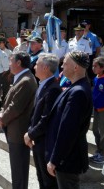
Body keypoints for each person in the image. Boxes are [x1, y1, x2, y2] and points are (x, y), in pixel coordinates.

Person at [46, 51, 93, 188]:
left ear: (76, 67)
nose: (61, 67)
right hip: (66, 157)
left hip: (68, 158)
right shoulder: (75, 87)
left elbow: (68, 130)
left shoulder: (78, 92)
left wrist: (55, 159)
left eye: (65, 64)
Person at [0, 51, 37, 189]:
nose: (9, 64)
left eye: (10, 61)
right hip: (14, 129)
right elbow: (9, 101)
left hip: (19, 131)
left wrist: (2, 118)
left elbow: (16, 107)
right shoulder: (20, 78)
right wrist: (2, 113)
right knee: (16, 169)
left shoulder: (26, 80)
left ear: (18, 63)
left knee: (19, 169)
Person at [24, 53, 62, 189]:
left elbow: (46, 119)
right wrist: (30, 132)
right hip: (37, 140)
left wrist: (30, 134)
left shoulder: (53, 89)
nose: (34, 67)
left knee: (48, 182)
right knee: (41, 178)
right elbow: (35, 114)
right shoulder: (42, 85)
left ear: (45, 68)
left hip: (45, 142)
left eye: (37, 64)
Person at [90, 56, 104, 164]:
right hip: (97, 109)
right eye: (93, 66)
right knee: (95, 130)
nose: (93, 68)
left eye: (95, 66)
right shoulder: (96, 78)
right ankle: (99, 151)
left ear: (102, 67)